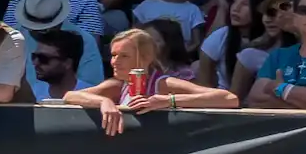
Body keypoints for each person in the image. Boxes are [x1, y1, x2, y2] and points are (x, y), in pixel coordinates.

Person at [59, 23, 240, 136]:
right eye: (113, 55)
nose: (114, 61)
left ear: (144, 58)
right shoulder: (117, 85)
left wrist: (169, 101)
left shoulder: (163, 84)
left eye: (123, 56)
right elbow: (69, 97)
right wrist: (103, 102)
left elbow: (230, 99)